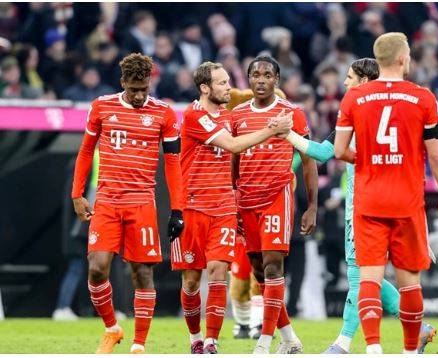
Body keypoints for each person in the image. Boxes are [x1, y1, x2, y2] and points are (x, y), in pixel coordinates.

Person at [282, 57, 437, 353]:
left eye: (350, 77)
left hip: (366, 209)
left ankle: (342, 344)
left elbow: (323, 153)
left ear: (365, 81)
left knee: (360, 277)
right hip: (387, 205)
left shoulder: (355, 114)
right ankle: (420, 330)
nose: (345, 82)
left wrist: (286, 133)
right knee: (369, 279)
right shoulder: (388, 114)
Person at [334, 32, 438, 354]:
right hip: (407, 202)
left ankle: (373, 349)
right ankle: (409, 350)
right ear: (403, 58)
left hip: (369, 200)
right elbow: (437, 154)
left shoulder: (354, 98)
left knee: (369, 280)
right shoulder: (423, 97)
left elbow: (339, 149)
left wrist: (368, 159)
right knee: (409, 282)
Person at [172, 62, 292, 353]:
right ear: (205, 88)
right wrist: (272, 129)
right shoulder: (193, 115)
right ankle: (195, 337)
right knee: (191, 281)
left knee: (218, 272)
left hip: (224, 208)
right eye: (223, 83)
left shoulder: (228, 116)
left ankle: (211, 341)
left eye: (228, 82)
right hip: (192, 207)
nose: (229, 87)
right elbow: (234, 146)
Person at [71, 53, 186, 354]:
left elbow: (173, 163)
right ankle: (112, 328)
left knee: (142, 273)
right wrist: (78, 194)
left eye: (144, 89)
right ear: (122, 82)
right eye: (133, 88)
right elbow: (85, 152)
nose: (138, 95)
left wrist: (177, 208)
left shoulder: (164, 113)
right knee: (96, 269)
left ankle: (139, 345)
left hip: (142, 203)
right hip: (107, 201)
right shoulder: (101, 107)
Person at [231, 55, 318, 354]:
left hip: (276, 196)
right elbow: (234, 157)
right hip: (246, 199)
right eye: (255, 74)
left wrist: (312, 206)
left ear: (276, 80)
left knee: (272, 267)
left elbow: (309, 161)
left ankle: (263, 344)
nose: (261, 79)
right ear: (249, 79)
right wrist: (233, 193)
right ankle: (290, 339)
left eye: (267, 74)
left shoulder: (292, 113)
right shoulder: (238, 115)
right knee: (258, 271)